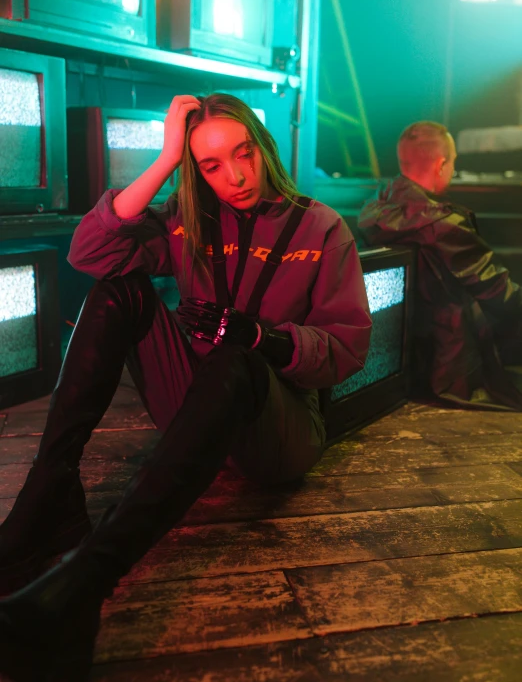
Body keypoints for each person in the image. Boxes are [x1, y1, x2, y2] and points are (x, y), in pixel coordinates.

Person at [0, 93, 372, 680]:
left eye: (242, 153)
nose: (236, 176)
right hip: (196, 410)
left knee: (236, 359)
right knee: (117, 291)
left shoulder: (323, 228)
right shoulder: (187, 220)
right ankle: (51, 494)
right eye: (210, 165)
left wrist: (266, 339)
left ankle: (83, 584)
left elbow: (349, 348)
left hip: (276, 430)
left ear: (262, 145)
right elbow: (89, 253)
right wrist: (166, 156)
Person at [358, 120, 522, 410]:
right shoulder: (444, 225)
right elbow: (498, 292)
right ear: (442, 163)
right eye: (454, 162)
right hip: (452, 373)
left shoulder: (373, 212)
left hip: (399, 368)